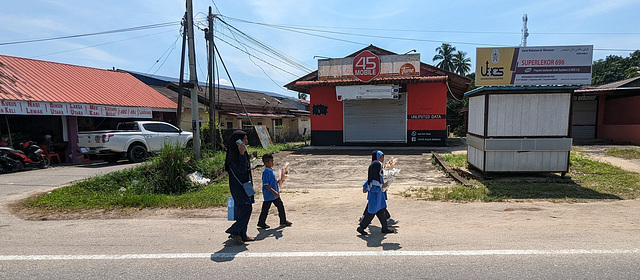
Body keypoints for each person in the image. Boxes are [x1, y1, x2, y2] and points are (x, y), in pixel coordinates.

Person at [224, 130, 255, 244]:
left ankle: (242, 234)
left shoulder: (243, 153)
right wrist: (241, 154)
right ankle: (234, 231)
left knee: (245, 210)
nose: (246, 142)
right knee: (246, 209)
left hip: (246, 186)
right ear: (237, 142)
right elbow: (241, 171)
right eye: (244, 139)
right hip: (238, 188)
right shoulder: (233, 157)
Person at [357, 150, 395, 235]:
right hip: (375, 198)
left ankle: (384, 228)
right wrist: (382, 187)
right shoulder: (374, 179)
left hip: (379, 199)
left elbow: (367, 184)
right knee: (371, 214)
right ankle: (361, 227)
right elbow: (374, 188)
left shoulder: (375, 176)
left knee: (381, 212)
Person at [257, 153, 292, 229]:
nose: (273, 163)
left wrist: (280, 181)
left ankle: (283, 220)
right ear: (266, 163)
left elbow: (272, 182)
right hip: (270, 194)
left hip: (274, 194)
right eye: (271, 161)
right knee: (266, 208)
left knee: (280, 206)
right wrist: (274, 192)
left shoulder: (270, 170)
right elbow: (266, 184)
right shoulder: (266, 172)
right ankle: (261, 222)